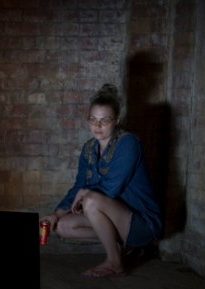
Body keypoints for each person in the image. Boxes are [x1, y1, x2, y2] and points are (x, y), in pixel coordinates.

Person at [41, 83, 163, 278]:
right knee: (63, 226)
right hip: (116, 220)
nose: (97, 126)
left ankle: (115, 262)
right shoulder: (89, 149)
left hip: (141, 222)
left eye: (105, 120)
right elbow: (79, 186)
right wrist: (56, 214)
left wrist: (86, 193)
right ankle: (121, 248)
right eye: (93, 119)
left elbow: (110, 189)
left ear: (117, 120)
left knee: (90, 201)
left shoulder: (128, 143)